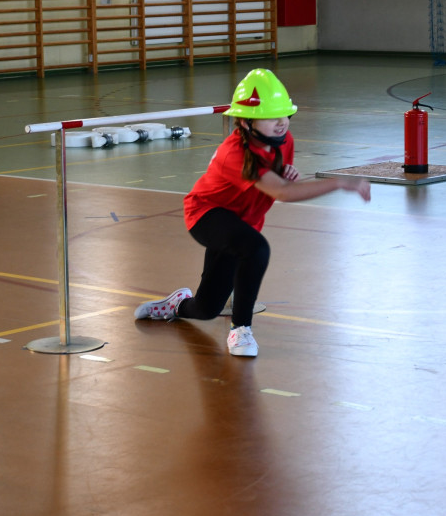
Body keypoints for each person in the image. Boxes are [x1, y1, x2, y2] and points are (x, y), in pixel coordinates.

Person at [134, 68, 371, 357]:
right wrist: (339, 182)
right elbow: (282, 193)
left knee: (207, 308)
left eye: (284, 115)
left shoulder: (284, 141)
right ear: (246, 122)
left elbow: (274, 181)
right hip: (207, 214)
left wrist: (282, 172)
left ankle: (176, 305)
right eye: (272, 117)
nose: (282, 123)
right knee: (256, 249)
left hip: (242, 223)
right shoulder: (233, 153)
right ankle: (241, 329)